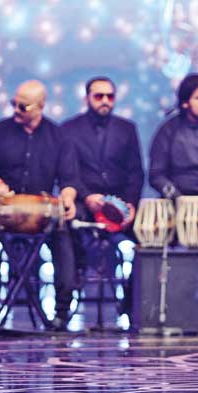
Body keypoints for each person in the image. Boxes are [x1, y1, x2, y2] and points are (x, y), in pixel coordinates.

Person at [0, 80, 81, 331]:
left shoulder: (58, 136)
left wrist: (68, 197)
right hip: (5, 209)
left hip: (41, 212)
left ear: (41, 106)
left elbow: (69, 178)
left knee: (64, 240)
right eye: (14, 104)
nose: (16, 110)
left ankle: (61, 313)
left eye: (23, 106)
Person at [61, 76, 144, 317]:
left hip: (121, 204)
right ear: (87, 98)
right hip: (84, 202)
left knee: (151, 235)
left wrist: (130, 205)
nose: (105, 101)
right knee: (65, 228)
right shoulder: (69, 129)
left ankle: (133, 303)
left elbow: (136, 172)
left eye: (110, 96)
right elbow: (68, 172)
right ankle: (66, 298)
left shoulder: (127, 129)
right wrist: (88, 197)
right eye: (99, 96)